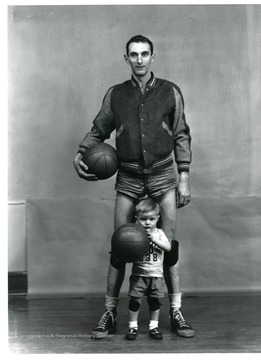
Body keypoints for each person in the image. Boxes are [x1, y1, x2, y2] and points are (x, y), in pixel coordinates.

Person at [73, 34, 195, 339]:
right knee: (120, 247)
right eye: (133, 54)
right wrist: (80, 153)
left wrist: (183, 177)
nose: (139, 59)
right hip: (127, 177)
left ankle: (176, 311)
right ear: (125, 58)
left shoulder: (170, 91)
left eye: (144, 54)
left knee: (169, 247)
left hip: (164, 175)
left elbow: (181, 134)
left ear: (153, 57)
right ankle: (110, 313)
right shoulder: (116, 94)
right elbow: (98, 130)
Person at [125, 196, 171, 340]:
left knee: (154, 302)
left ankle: (154, 327)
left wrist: (154, 240)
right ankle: (132, 327)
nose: (147, 222)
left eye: (151, 219)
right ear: (136, 218)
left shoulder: (159, 233)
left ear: (158, 218)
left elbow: (168, 247)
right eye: (143, 219)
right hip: (139, 275)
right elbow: (128, 252)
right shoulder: (134, 234)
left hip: (156, 275)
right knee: (134, 302)